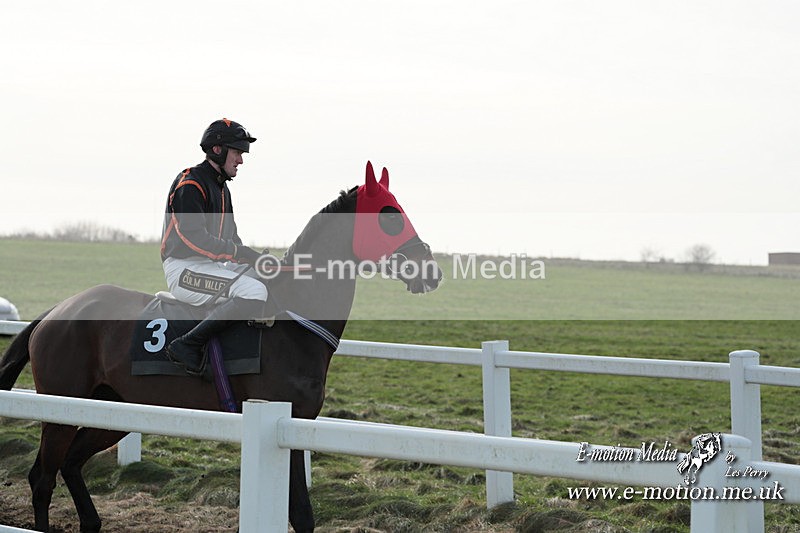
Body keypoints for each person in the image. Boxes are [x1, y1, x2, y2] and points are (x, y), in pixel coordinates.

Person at [160, 118, 267, 375]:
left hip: (211, 267)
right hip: (183, 271)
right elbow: (193, 238)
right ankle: (187, 345)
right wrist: (241, 253)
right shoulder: (190, 184)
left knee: (264, 277)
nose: (241, 160)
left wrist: (258, 261)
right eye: (237, 152)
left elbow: (233, 240)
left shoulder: (222, 190)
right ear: (217, 150)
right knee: (254, 292)